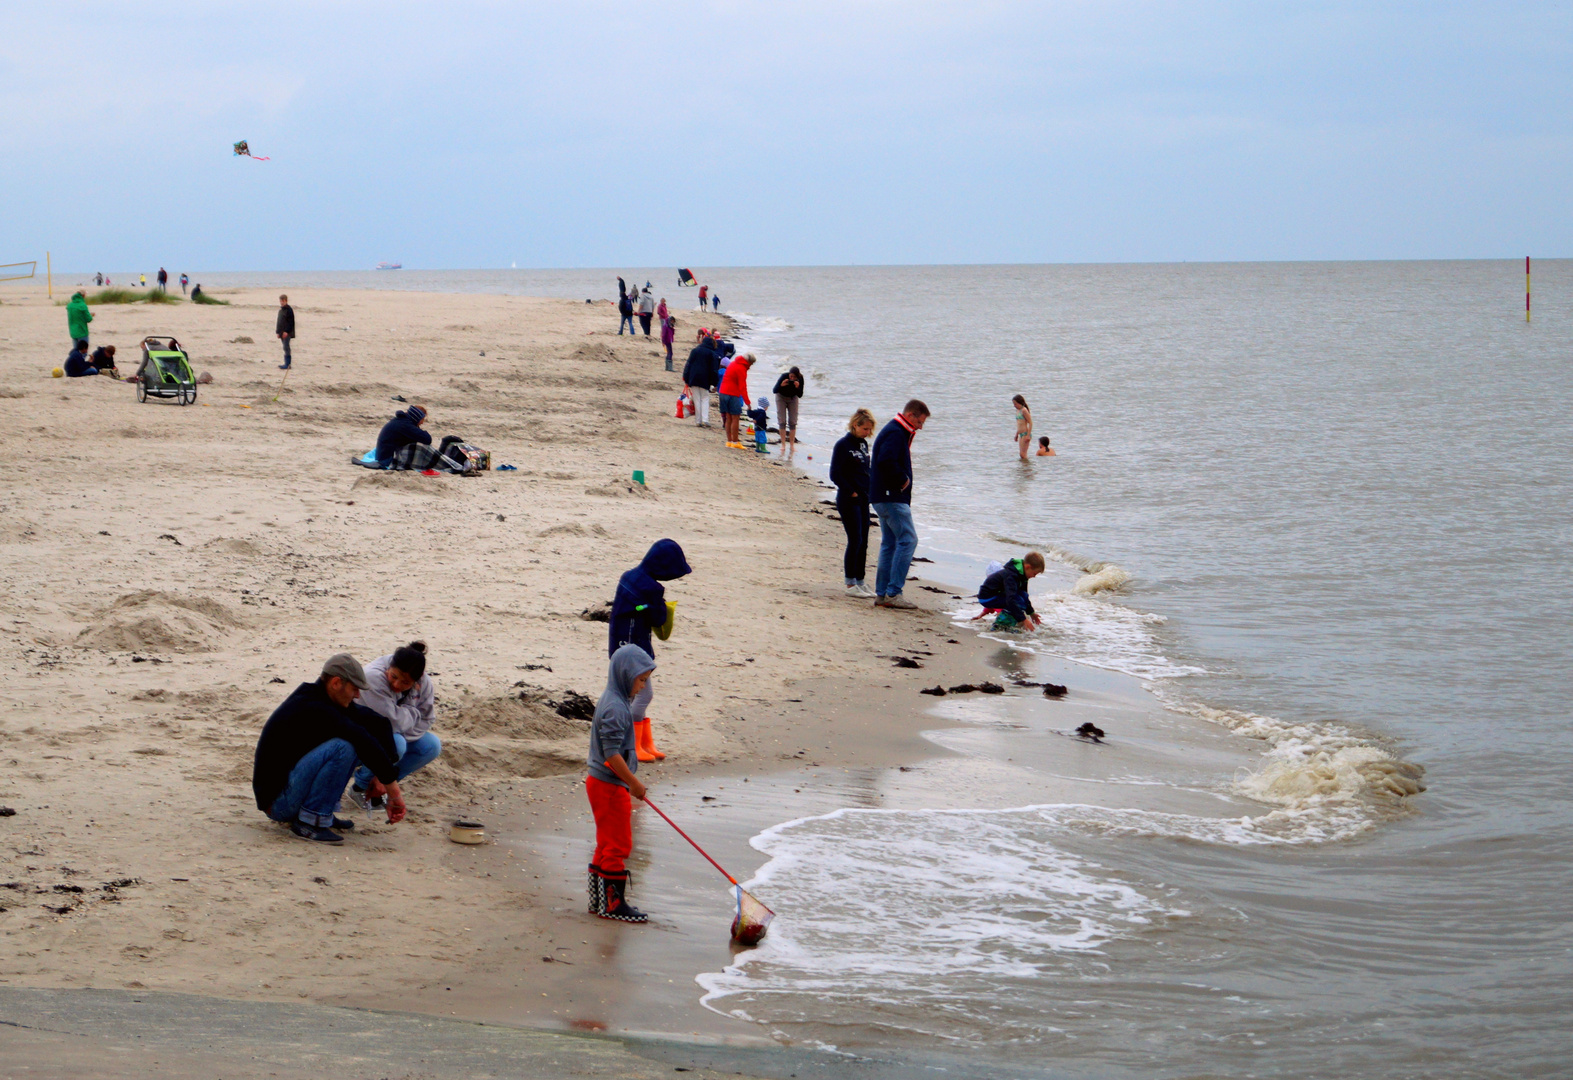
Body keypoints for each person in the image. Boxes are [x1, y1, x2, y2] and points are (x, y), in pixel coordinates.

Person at [251, 653, 406, 844]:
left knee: (355, 739)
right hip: (278, 803)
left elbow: (379, 723)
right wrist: (394, 792)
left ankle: (319, 813)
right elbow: (360, 738)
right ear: (335, 683)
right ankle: (311, 821)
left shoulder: (326, 699)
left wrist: (380, 775)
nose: (358, 695)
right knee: (345, 747)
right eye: (354, 689)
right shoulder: (312, 706)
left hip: (291, 788)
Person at [586, 643, 657, 922]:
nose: (642, 687)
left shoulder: (614, 699)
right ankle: (613, 905)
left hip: (599, 783)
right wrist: (634, 783)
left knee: (605, 843)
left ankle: (599, 901)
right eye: (641, 680)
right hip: (609, 785)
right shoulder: (615, 707)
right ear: (626, 675)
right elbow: (611, 753)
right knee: (618, 844)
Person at [610, 538, 690, 763]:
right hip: (634, 649)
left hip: (619, 643)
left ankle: (644, 742)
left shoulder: (629, 577)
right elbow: (657, 618)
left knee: (635, 693)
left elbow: (631, 610)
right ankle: (632, 745)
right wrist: (660, 608)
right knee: (642, 694)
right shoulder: (651, 587)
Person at [347, 641, 441, 811]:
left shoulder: (424, 683)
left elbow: (427, 719)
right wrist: (412, 712)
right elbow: (390, 723)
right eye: (393, 677)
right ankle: (361, 787)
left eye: (405, 683)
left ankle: (380, 784)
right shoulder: (373, 677)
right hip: (359, 731)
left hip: (392, 734)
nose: (397, 685)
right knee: (397, 744)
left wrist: (385, 775)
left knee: (431, 746)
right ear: (389, 668)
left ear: (417, 681)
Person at [871, 399, 931, 609]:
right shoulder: (896, 432)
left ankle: (882, 594)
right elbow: (885, 461)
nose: (920, 427)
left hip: (883, 496)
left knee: (890, 544)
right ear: (911, 415)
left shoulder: (895, 430)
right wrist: (903, 480)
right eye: (920, 422)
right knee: (908, 540)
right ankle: (893, 592)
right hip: (891, 497)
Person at [831, 408, 876, 597]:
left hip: (864, 498)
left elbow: (867, 470)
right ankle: (850, 584)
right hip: (848, 499)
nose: (867, 433)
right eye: (865, 429)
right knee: (855, 539)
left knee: (864, 541)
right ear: (855, 425)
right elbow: (835, 474)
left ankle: (860, 580)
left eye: (869, 430)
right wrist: (852, 492)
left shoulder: (863, 445)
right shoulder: (843, 445)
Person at [978, 553, 1045, 630]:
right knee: (1017, 601)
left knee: (1023, 596)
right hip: (987, 597)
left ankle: (1010, 623)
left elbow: (1024, 595)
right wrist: (1024, 619)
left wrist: (1031, 613)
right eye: (1034, 573)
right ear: (1028, 567)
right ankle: (1000, 626)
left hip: (999, 595)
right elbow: (1010, 599)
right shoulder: (1011, 576)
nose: (1034, 576)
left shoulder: (1022, 575)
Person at [681, 330, 720, 427]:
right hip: (705, 379)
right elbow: (714, 370)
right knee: (705, 398)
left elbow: (688, 365)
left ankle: (698, 421)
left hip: (693, 377)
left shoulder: (695, 350)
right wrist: (715, 383)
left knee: (697, 399)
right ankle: (705, 419)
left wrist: (686, 378)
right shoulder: (712, 354)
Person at [718, 352, 756, 448]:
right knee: (735, 418)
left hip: (722, 392)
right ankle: (735, 442)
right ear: (748, 361)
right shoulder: (741, 368)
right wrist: (748, 402)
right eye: (751, 364)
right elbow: (742, 386)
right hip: (732, 394)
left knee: (728, 417)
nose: (750, 367)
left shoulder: (733, 364)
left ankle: (729, 441)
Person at [772, 366, 805, 458]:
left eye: (794, 377)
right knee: (782, 421)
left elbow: (800, 395)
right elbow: (774, 390)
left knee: (793, 422)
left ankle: (792, 445)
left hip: (793, 398)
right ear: (789, 374)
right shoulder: (784, 376)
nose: (792, 378)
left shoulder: (800, 379)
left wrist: (797, 387)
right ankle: (783, 445)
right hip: (781, 397)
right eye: (791, 376)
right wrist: (781, 385)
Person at [276, 294, 295, 370]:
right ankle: (286, 363)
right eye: (280, 301)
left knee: (286, 347)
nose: (281, 302)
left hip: (287, 332)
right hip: (281, 332)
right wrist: (278, 332)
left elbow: (291, 322)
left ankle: (288, 364)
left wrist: (286, 331)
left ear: (286, 301)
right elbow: (279, 322)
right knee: (284, 347)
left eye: (283, 301)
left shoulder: (289, 310)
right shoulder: (281, 310)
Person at [1013, 394, 1033, 461]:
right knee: (1021, 454)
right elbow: (1019, 424)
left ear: (1019, 402)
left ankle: (1027, 468)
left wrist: (1028, 435)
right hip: (1020, 434)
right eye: (1013, 404)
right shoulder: (1018, 411)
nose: (1014, 406)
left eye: (1015, 404)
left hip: (1025, 433)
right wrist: (1016, 435)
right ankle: (1024, 468)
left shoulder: (1024, 410)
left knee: (1023, 454)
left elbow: (1030, 422)